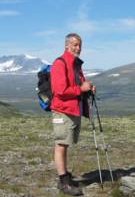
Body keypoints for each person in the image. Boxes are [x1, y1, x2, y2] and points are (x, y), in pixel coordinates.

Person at [50, 33, 95, 196]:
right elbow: (60, 90)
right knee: (61, 144)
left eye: (79, 45)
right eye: (75, 45)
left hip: (72, 109)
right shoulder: (60, 63)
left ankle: (65, 176)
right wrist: (80, 89)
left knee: (65, 144)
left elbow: (80, 84)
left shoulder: (76, 64)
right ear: (66, 45)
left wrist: (88, 88)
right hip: (63, 110)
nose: (78, 48)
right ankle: (63, 182)